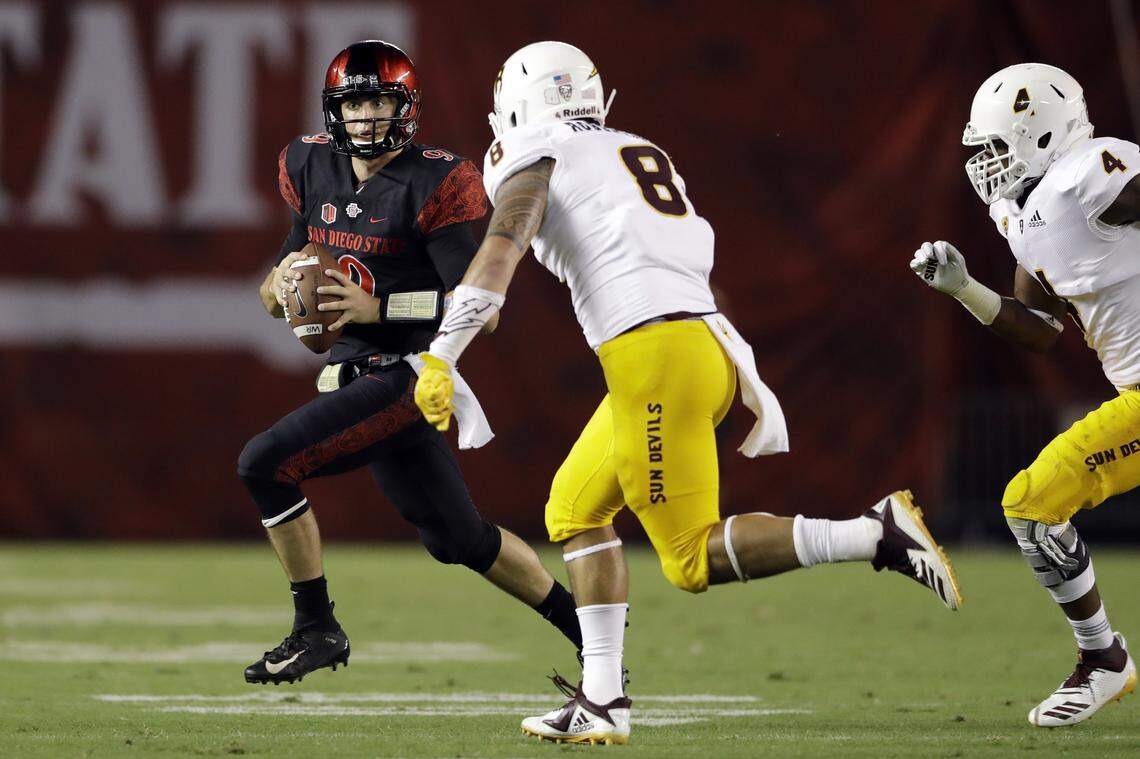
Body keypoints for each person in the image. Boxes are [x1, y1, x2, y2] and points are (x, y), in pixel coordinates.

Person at [412, 41, 961, 744]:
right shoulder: (634, 147)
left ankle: (873, 533)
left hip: (655, 355)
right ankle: (603, 699)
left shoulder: (536, 151)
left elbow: (502, 248)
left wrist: (441, 353)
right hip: (697, 340)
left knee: (691, 558)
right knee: (574, 508)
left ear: (519, 107)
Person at [237, 40, 582, 686]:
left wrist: (377, 306)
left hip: (410, 375)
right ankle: (591, 631)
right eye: (356, 102)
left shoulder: (436, 181)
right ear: (335, 109)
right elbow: (273, 292)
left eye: (380, 102)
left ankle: (316, 625)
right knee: (463, 541)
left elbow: (483, 306)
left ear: (407, 109)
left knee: (265, 461)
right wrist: (280, 289)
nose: (367, 117)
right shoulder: (311, 166)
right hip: (358, 376)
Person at [911, 62, 1139, 726]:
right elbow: (1040, 329)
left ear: (1040, 132)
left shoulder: (1090, 168)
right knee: (1034, 504)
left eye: (995, 145)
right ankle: (1104, 661)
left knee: (1032, 502)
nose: (984, 162)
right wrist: (965, 290)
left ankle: (1103, 660)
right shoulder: (1025, 212)